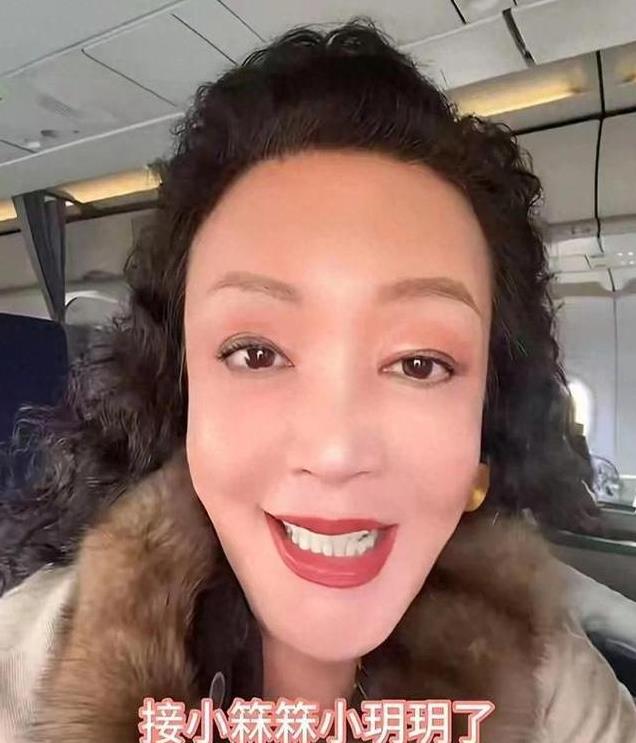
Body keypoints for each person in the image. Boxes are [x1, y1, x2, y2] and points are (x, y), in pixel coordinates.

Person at [1, 20, 635, 743]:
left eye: (419, 363)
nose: (335, 452)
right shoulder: (27, 673)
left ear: (485, 421)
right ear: (180, 396)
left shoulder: (550, 682)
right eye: (256, 353)